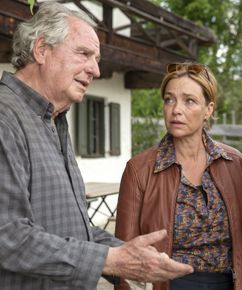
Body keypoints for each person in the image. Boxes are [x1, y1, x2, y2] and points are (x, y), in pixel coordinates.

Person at [0, 2, 193, 289]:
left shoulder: (54, 120)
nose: (96, 70)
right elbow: (8, 237)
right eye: (84, 54)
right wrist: (111, 260)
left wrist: (129, 255)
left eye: (97, 58)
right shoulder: (5, 118)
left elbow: (72, 231)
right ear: (41, 50)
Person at [114, 62, 242, 290]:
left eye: (189, 101)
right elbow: (124, 256)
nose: (176, 109)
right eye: (169, 99)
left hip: (227, 284)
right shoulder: (139, 170)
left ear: (208, 109)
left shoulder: (233, 162)